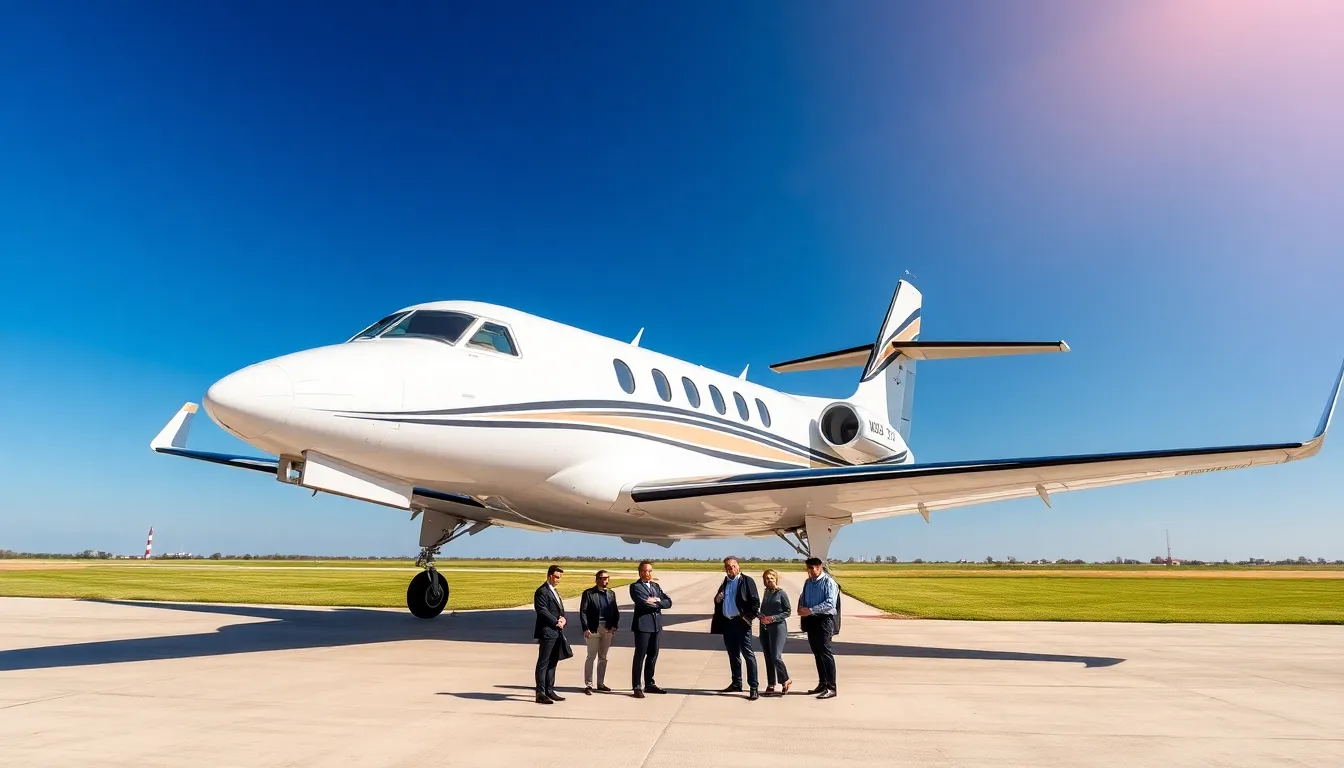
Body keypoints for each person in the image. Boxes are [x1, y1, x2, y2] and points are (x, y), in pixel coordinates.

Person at [710, 555, 760, 700]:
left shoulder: (746, 581)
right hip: (727, 623)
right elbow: (719, 599)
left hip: (741, 623)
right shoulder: (725, 582)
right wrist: (717, 599)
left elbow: (755, 603)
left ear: (738, 566)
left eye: (733, 566)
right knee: (733, 655)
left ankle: (753, 686)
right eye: (728, 567)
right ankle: (736, 683)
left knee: (748, 654)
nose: (730, 569)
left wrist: (747, 618)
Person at [796, 557, 839, 699]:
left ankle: (831, 687)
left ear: (820, 567)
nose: (812, 570)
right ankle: (822, 682)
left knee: (825, 653)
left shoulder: (829, 582)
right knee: (817, 653)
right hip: (811, 620)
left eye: (815, 567)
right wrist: (801, 607)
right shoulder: (808, 582)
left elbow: (830, 603)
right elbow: (803, 597)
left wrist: (811, 610)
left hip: (824, 620)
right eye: (809, 568)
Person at [628, 559, 672, 698]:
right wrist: (658, 602)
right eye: (646, 571)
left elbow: (668, 602)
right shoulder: (635, 587)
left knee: (653, 655)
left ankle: (649, 683)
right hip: (643, 626)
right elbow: (643, 603)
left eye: (650, 571)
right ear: (640, 572)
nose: (648, 573)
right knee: (640, 656)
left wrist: (657, 601)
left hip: (656, 626)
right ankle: (636, 686)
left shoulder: (655, 586)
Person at [532, 564, 573, 704]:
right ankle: (540, 692)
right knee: (543, 662)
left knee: (553, 661)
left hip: (556, 631)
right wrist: (556, 621)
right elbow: (542, 610)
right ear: (549, 576)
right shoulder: (542, 591)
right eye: (556, 577)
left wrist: (563, 618)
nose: (558, 580)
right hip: (547, 631)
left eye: (560, 577)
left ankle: (550, 689)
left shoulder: (554, 591)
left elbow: (559, 609)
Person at [578, 569, 620, 694]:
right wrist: (585, 628)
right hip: (593, 628)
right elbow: (583, 611)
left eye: (606, 578)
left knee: (603, 657)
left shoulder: (611, 594)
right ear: (597, 580)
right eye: (602, 578)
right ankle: (588, 684)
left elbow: (615, 611)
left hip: (607, 628)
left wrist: (614, 626)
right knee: (591, 656)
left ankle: (600, 683)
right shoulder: (589, 593)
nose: (604, 580)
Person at [757, 568, 792, 695]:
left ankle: (785, 679)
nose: (769, 580)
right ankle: (771, 683)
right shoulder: (766, 592)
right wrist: (760, 615)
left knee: (776, 656)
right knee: (768, 656)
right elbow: (763, 609)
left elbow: (787, 611)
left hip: (778, 627)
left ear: (776, 579)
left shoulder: (781, 593)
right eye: (767, 578)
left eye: (772, 578)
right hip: (765, 627)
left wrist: (773, 618)